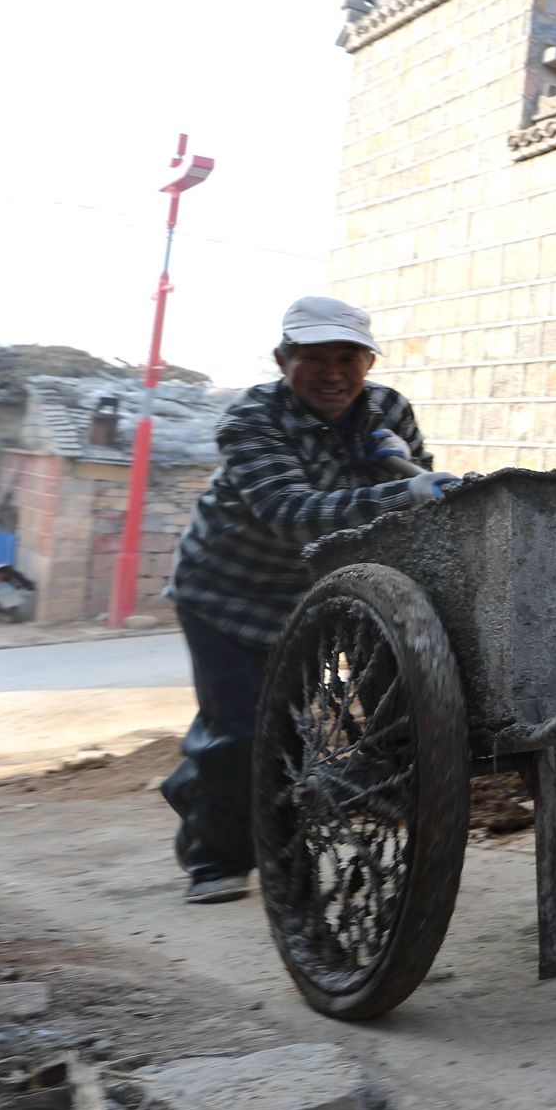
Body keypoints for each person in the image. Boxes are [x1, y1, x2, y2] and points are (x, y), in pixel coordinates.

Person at [162, 296, 459, 904]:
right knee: (242, 730)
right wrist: (403, 493)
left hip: (315, 596)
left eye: (347, 357)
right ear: (281, 360)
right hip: (226, 591)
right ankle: (214, 858)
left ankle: (219, 798)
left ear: (368, 361)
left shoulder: (390, 410)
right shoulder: (251, 419)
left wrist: (404, 471)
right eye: (312, 358)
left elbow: (417, 489)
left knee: (284, 733)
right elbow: (289, 514)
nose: (332, 372)